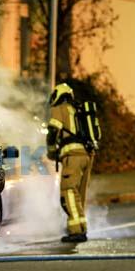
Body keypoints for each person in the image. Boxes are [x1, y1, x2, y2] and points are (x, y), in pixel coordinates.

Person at [46, 82, 96, 243]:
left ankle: (76, 231)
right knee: (78, 193)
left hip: (72, 156)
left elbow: (53, 131)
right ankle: (80, 226)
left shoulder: (60, 108)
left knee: (68, 191)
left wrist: (52, 151)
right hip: (87, 155)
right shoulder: (77, 110)